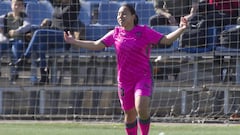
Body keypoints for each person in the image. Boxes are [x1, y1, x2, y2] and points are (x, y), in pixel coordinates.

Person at [64, 4, 188, 135]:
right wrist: (74, 41)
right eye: (118, 14)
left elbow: (167, 40)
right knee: (129, 114)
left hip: (143, 76)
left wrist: (182, 29)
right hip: (124, 80)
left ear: (133, 17)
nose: (120, 16)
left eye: (124, 14)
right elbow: (96, 45)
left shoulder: (144, 31)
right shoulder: (115, 33)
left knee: (141, 108)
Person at [17, 0, 84, 85]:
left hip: (63, 36)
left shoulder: (74, 5)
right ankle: (44, 76)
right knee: (41, 46)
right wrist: (49, 21)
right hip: (52, 34)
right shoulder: (57, 4)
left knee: (38, 33)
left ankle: (25, 58)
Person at [0, 0, 31, 83]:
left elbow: (27, 25)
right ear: (11, 6)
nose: (17, 7)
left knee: (16, 49)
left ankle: (14, 72)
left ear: (22, 6)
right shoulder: (5, 17)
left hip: (18, 40)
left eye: (20, 5)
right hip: (6, 40)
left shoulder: (24, 16)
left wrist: (17, 31)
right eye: (15, 5)